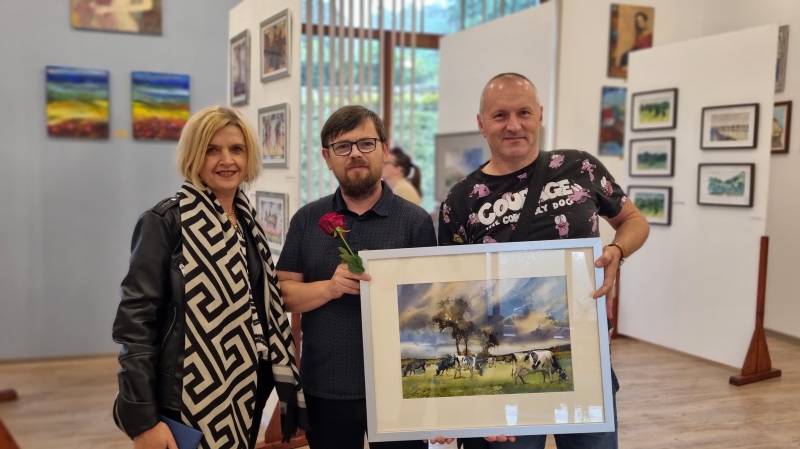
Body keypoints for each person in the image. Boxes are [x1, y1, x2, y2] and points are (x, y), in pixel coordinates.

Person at [436, 73, 650, 449]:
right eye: (500, 115)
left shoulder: (580, 167)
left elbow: (634, 220)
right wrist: (462, 401)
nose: (513, 125)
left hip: (586, 357)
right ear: (481, 123)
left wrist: (617, 250)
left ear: (539, 115)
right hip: (507, 360)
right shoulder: (460, 200)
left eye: (524, 112)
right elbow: (455, 294)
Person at [112, 105, 307, 449]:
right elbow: (135, 326)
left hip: (247, 389)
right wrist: (143, 421)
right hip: (184, 396)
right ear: (194, 155)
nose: (226, 160)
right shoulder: (165, 222)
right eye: (212, 150)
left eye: (236, 149)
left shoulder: (247, 222)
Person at [276, 105, 436, 449]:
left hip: (400, 386)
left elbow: (432, 306)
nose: (355, 154)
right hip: (326, 387)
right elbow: (284, 294)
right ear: (326, 157)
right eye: (343, 146)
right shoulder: (307, 219)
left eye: (366, 143)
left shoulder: (416, 222)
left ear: (384, 149)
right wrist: (329, 288)